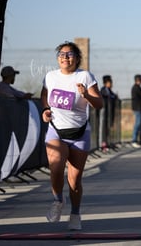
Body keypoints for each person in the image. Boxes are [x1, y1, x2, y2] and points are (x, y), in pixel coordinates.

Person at [40, 41, 103, 230]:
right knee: (56, 165)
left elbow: (99, 104)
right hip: (56, 130)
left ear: (77, 58)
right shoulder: (50, 76)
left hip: (79, 132)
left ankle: (75, 214)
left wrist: (86, 95)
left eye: (69, 54)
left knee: (75, 181)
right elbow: (44, 95)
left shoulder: (84, 76)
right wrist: (45, 109)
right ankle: (58, 200)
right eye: (61, 53)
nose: (65, 57)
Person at [100, 75, 119, 148]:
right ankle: (103, 143)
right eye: (110, 82)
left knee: (109, 128)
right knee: (104, 128)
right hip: (105, 113)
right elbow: (106, 97)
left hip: (110, 113)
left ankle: (109, 142)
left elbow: (113, 96)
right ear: (106, 83)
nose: (111, 84)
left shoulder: (110, 91)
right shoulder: (103, 90)